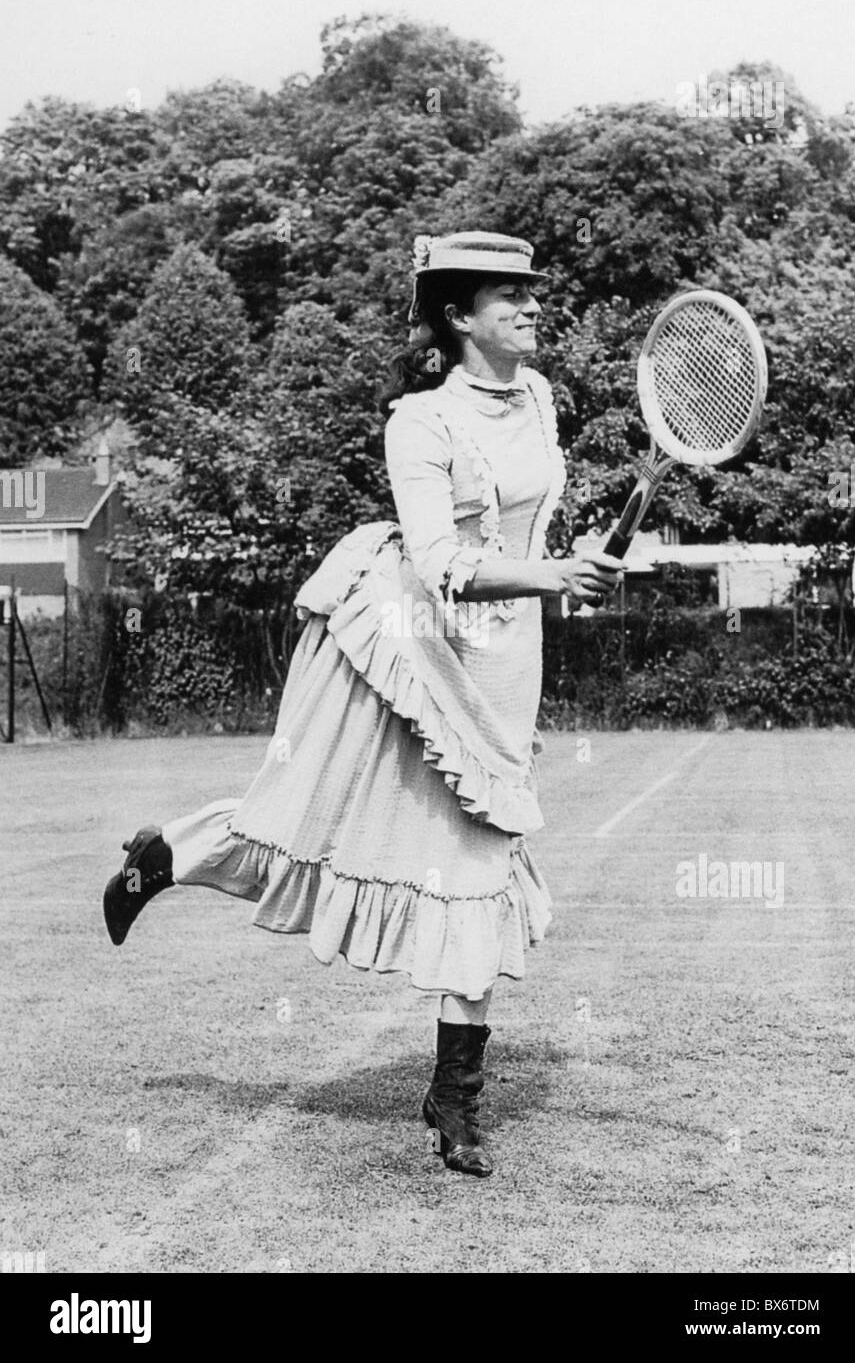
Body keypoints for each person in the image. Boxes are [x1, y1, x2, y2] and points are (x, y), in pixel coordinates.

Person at [102, 230, 623, 1177]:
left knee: (479, 863)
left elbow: (526, 532)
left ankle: (453, 1090)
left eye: (532, 290)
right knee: (315, 825)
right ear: (458, 316)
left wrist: (564, 573)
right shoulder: (417, 422)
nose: (533, 305)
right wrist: (552, 573)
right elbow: (444, 565)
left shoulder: (541, 398)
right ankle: (168, 857)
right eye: (509, 295)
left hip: (507, 666)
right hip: (409, 650)